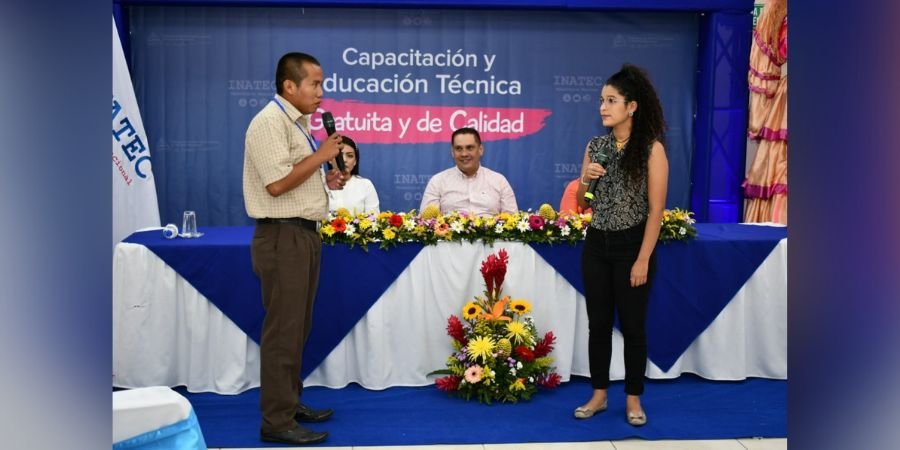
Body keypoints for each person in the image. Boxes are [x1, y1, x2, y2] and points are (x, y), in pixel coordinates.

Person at [242, 52, 347, 446]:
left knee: (298, 327)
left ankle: (289, 401)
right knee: (283, 332)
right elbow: (275, 185)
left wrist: (325, 181)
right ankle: (276, 421)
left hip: (303, 233)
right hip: (282, 237)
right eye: (315, 84)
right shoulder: (269, 122)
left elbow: (293, 178)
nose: (321, 92)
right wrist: (321, 157)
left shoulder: (295, 123)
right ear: (290, 86)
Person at [573, 63, 669, 427]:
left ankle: (632, 399)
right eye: (601, 100)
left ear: (631, 106)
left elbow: (656, 210)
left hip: (633, 246)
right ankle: (598, 395)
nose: (602, 107)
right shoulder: (595, 146)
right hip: (597, 244)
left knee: (632, 326)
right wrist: (585, 179)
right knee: (598, 324)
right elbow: (583, 203)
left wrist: (643, 259)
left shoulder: (650, 149)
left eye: (611, 100)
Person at [420, 127, 518, 216]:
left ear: (480, 150)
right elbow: (426, 222)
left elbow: (513, 221)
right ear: (452, 152)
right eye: (458, 148)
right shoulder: (438, 181)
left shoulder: (499, 181)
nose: (464, 154)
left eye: (470, 148)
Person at [326, 136, 380, 214]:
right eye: (339, 155)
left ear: (355, 161)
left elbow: (373, 219)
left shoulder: (365, 185)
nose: (344, 160)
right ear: (330, 159)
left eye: (350, 156)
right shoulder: (321, 184)